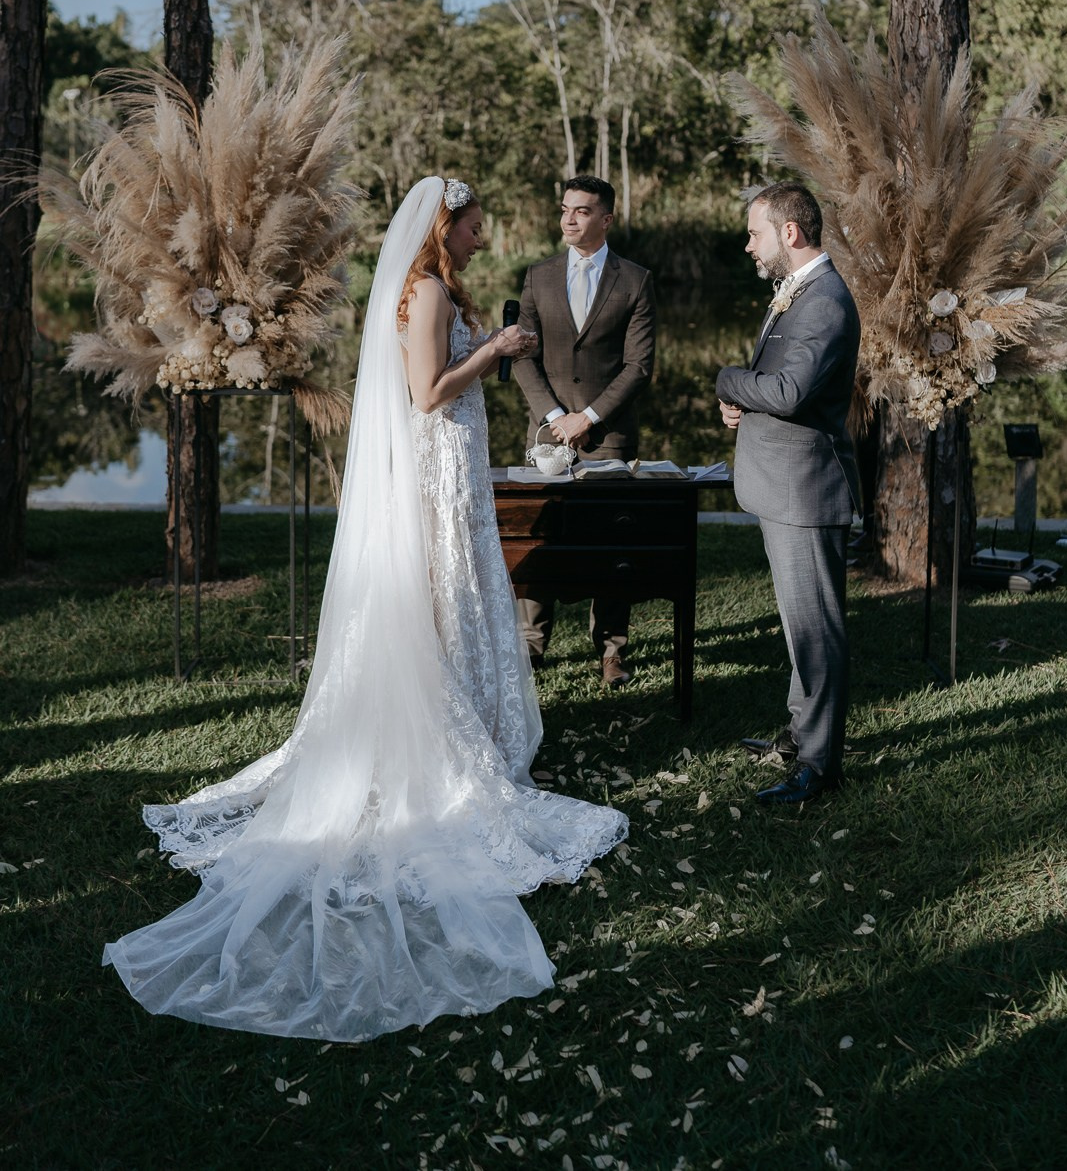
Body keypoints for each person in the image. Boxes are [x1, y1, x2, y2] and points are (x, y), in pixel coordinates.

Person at [103, 177, 628, 1042]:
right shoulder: (423, 292)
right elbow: (426, 393)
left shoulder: (441, 286)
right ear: (444, 226)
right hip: (436, 455)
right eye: (473, 218)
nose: (484, 228)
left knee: (458, 592)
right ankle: (442, 743)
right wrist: (493, 351)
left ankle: (474, 728)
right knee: (442, 592)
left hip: (455, 463)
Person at [715, 182, 860, 806]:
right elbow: (773, 385)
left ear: (790, 234)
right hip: (781, 485)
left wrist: (728, 379)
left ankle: (819, 767)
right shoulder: (795, 293)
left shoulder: (824, 301)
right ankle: (800, 736)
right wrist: (741, 400)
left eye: (756, 233)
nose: (749, 244)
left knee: (816, 630)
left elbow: (787, 393)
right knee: (798, 625)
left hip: (806, 490)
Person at [513, 175, 656, 685]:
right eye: (565, 209)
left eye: (581, 210)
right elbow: (522, 357)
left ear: (606, 219)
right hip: (546, 434)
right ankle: (531, 646)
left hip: (608, 434)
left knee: (610, 544)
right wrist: (555, 418)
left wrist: (589, 417)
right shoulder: (537, 277)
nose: (569, 219)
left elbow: (639, 367)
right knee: (539, 535)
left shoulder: (635, 280)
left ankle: (612, 651)